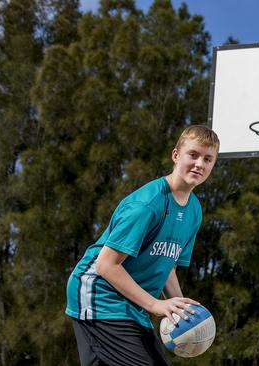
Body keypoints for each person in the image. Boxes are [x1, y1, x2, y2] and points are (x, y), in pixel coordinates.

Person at [65, 125, 219, 365]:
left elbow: (166, 265)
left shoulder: (194, 211)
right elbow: (106, 265)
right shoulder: (148, 204)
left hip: (131, 304)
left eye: (208, 159)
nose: (200, 164)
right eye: (194, 155)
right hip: (100, 295)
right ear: (176, 155)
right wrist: (155, 304)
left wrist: (182, 311)